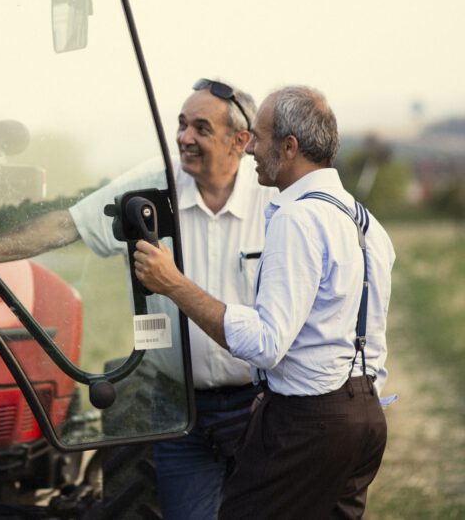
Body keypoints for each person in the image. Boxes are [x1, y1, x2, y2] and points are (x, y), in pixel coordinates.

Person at [0, 78, 277, 520]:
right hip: (178, 410)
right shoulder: (154, 186)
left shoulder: (276, 199)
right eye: (181, 124)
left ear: (240, 141)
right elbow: (66, 225)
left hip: (260, 407)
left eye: (201, 128)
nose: (184, 138)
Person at [133, 85, 395, 519]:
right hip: (365, 419)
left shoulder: (296, 217)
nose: (250, 148)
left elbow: (266, 344)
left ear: (289, 147)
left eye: (260, 138)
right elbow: (374, 342)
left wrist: (174, 284)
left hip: (306, 423)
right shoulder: (364, 220)